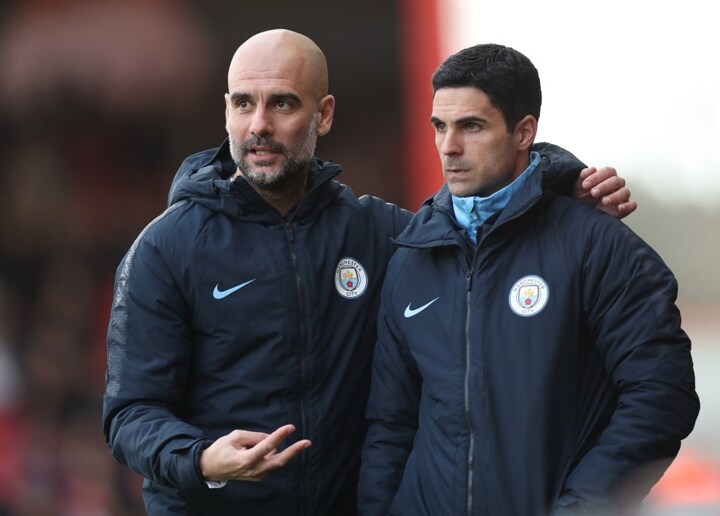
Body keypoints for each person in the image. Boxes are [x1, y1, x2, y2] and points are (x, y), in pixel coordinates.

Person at [102, 30, 637, 516]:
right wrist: (201, 459)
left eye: (282, 103)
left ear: (324, 114)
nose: (259, 124)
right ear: (226, 112)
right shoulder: (166, 247)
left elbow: (484, 223)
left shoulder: (379, 233)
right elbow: (129, 413)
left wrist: (561, 191)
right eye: (244, 103)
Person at [357, 43, 700, 516]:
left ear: (523, 132)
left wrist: (582, 507)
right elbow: (390, 425)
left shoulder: (595, 244)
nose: (448, 146)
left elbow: (662, 394)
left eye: (471, 126)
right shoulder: (412, 258)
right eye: (439, 126)